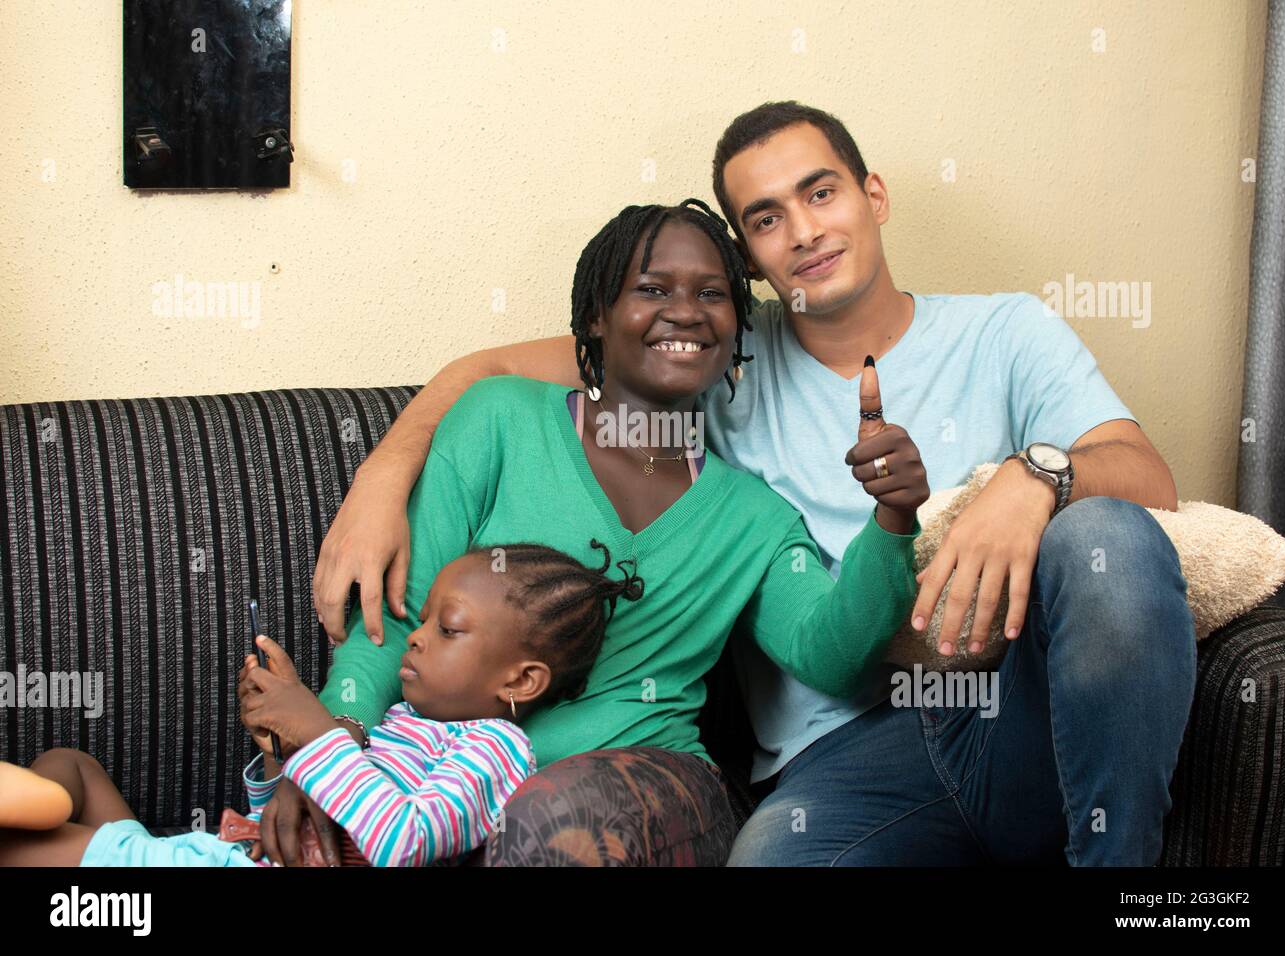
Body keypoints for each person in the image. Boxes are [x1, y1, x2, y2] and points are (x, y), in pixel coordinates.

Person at [313, 102, 1197, 866]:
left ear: (873, 195)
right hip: (846, 753)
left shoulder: (1005, 332)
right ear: (752, 257)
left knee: (1103, 537)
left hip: (1009, 718)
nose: (805, 231)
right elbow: (510, 369)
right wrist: (384, 474)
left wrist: (1030, 477)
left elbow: (1145, 480)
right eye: (768, 218)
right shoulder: (722, 358)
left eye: (822, 192)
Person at [264, 197, 929, 866]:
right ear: (595, 316)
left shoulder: (752, 517)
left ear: (736, 329)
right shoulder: (499, 421)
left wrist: (894, 518)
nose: (687, 311)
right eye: (651, 289)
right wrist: (330, 744)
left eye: (713, 294)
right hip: (446, 790)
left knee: (554, 819)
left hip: (651, 790)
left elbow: (833, 658)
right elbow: (395, 618)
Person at [0, 542, 640, 867]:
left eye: (447, 629)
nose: (414, 636)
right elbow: (295, 831)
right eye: (420, 620)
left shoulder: (495, 752)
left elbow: (403, 839)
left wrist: (315, 727)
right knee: (70, 761)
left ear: (522, 682)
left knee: (22, 847)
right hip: (239, 853)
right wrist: (283, 756)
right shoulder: (406, 723)